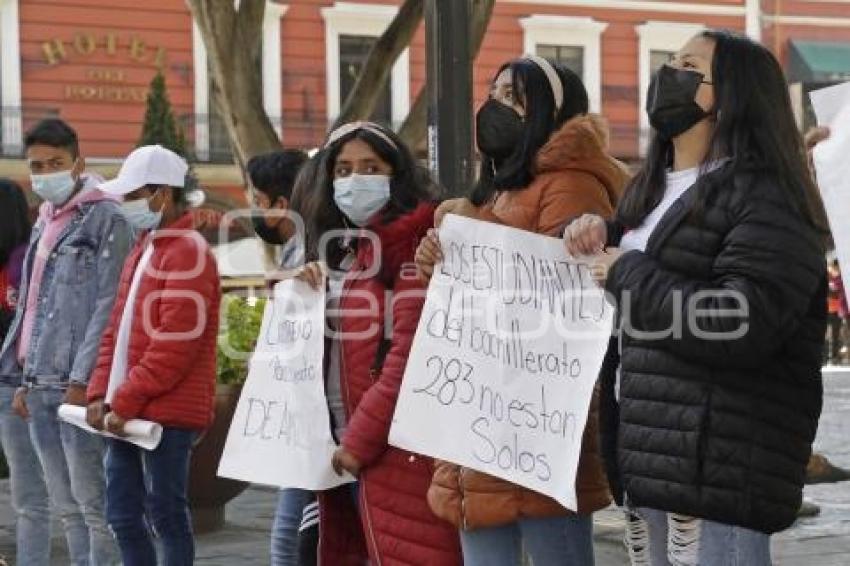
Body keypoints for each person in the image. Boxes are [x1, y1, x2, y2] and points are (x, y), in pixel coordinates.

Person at [563, 30, 828, 565]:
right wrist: (603, 234)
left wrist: (629, 271)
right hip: (653, 464)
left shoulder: (766, 194)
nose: (669, 75)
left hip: (719, 476)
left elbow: (740, 321)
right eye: (671, 62)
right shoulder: (654, 190)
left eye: (689, 66)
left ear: (732, 95)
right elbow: (664, 268)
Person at [415, 56, 627, 565]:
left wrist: (474, 233)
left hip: (534, 418)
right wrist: (437, 261)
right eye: (493, 91)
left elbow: (558, 300)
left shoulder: (570, 183)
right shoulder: (500, 188)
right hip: (482, 412)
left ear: (549, 112)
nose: (495, 104)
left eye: (513, 95)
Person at [296, 121, 462, 565]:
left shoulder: (411, 247)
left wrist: (358, 441)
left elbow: (408, 358)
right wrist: (304, 293)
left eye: (371, 167)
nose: (356, 180)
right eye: (344, 170)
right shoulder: (346, 252)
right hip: (344, 448)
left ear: (397, 173)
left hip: (391, 455)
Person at [0, 119, 128, 566]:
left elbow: (108, 305)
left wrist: (83, 379)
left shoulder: (108, 216)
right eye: (38, 165)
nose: (46, 172)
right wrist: (20, 376)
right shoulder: (44, 220)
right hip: (37, 383)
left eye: (56, 163)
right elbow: (33, 305)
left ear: (79, 163)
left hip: (74, 384)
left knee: (96, 509)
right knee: (67, 509)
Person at [85, 145, 221, 566]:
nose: (125, 204)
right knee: (123, 515)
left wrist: (120, 400)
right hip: (131, 407)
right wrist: (98, 393)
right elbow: (117, 330)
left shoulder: (188, 252)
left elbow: (175, 346)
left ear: (161, 194)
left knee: (165, 516)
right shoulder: (145, 247)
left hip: (164, 413)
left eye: (132, 195)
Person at [246, 149, 320, 566]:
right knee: (290, 533)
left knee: (289, 537)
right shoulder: (299, 247)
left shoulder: (311, 245)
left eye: (259, 200)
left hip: (307, 411)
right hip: (297, 406)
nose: (256, 210)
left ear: (281, 204)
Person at [0, 179, 51, 566]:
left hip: (13, 387)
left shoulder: (25, 264)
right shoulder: (27, 261)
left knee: (29, 494)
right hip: (13, 384)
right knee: (29, 494)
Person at [828, 259, 847, 364]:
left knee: (837, 334)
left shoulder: (838, 278)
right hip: (831, 309)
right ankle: (833, 356)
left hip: (838, 310)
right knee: (833, 335)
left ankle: (835, 356)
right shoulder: (830, 276)